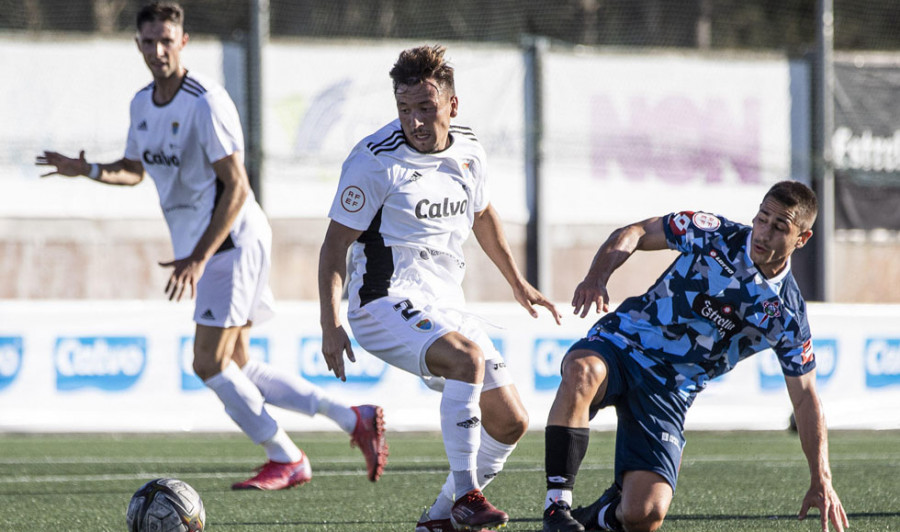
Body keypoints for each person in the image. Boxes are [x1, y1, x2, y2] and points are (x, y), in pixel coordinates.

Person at [35, 1, 387, 491]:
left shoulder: (206, 100)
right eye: (148, 41)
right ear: (137, 45)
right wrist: (89, 169)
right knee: (237, 363)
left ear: (183, 43)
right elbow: (135, 170)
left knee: (207, 361)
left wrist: (199, 258)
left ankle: (286, 456)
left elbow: (238, 187)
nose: (158, 50)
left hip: (231, 242)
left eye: (166, 40)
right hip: (212, 249)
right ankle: (355, 419)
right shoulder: (141, 104)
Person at [319, 44, 561, 531]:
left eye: (425, 108)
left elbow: (482, 214)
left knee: (511, 420)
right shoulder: (373, 161)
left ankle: (438, 520)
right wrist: (332, 322)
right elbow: (333, 247)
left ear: (453, 105)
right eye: (404, 109)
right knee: (466, 360)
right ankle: (467, 496)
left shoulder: (469, 148)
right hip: (381, 302)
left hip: (445, 305)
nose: (415, 121)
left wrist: (518, 282)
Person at [541, 181, 849, 532]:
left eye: (780, 227)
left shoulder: (786, 314)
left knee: (645, 514)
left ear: (802, 239)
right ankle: (557, 508)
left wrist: (821, 477)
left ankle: (597, 516)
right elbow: (639, 232)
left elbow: (806, 396)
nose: (763, 232)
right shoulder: (712, 233)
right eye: (762, 218)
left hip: (670, 390)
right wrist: (597, 275)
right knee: (583, 371)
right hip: (624, 344)